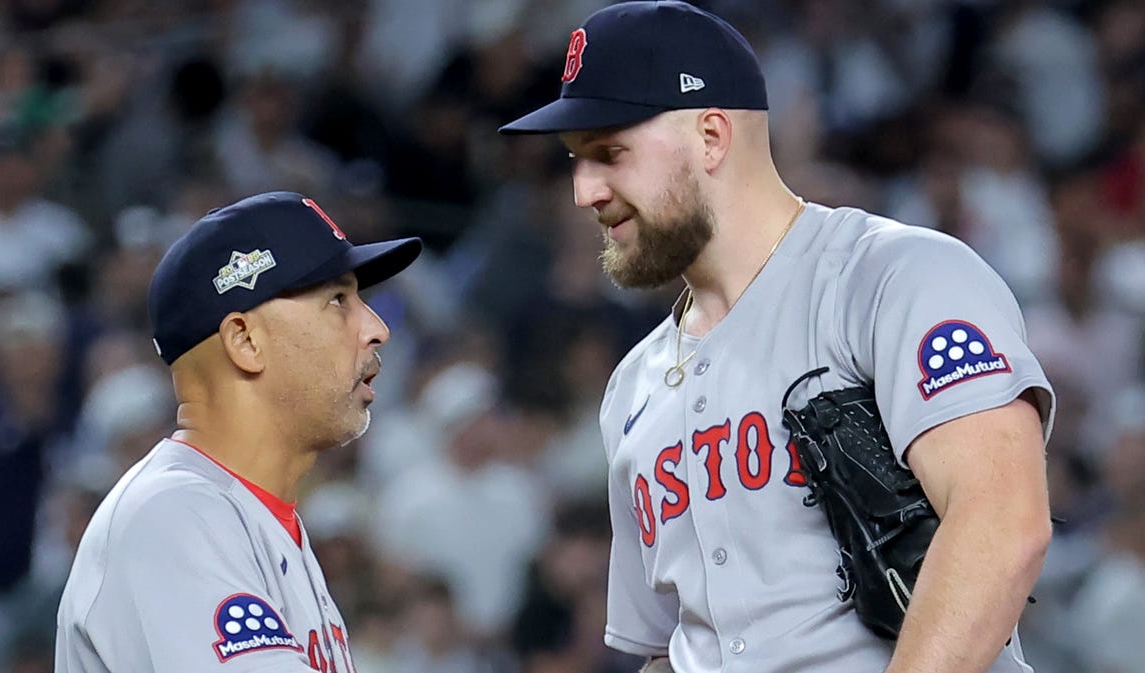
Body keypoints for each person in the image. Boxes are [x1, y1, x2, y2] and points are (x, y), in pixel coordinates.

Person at [499, 3, 1055, 673]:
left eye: (609, 153)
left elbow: (1003, 525)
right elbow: (674, 648)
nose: (585, 191)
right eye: (575, 160)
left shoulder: (891, 278)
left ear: (711, 136)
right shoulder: (632, 389)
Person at [54, 191, 422, 672]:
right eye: (337, 300)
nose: (376, 328)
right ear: (246, 341)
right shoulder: (173, 516)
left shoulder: (252, 518)